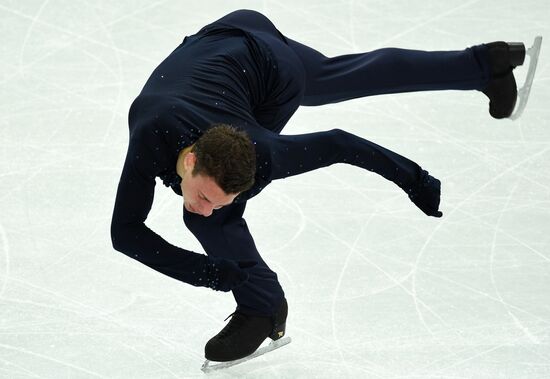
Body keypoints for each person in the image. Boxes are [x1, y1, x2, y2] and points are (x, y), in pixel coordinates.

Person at [110, 9, 527, 363]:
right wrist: (205, 272)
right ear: (192, 159)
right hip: (231, 35)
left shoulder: (263, 154)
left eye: (219, 200)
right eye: (205, 195)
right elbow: (124, 232)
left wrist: (413, 179)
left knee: (208, 224)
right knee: (340, 76)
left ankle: (262, 307)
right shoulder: (150, 135)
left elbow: (339, 143)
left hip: (268, 73)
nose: (203, 205)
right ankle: (483, 66)